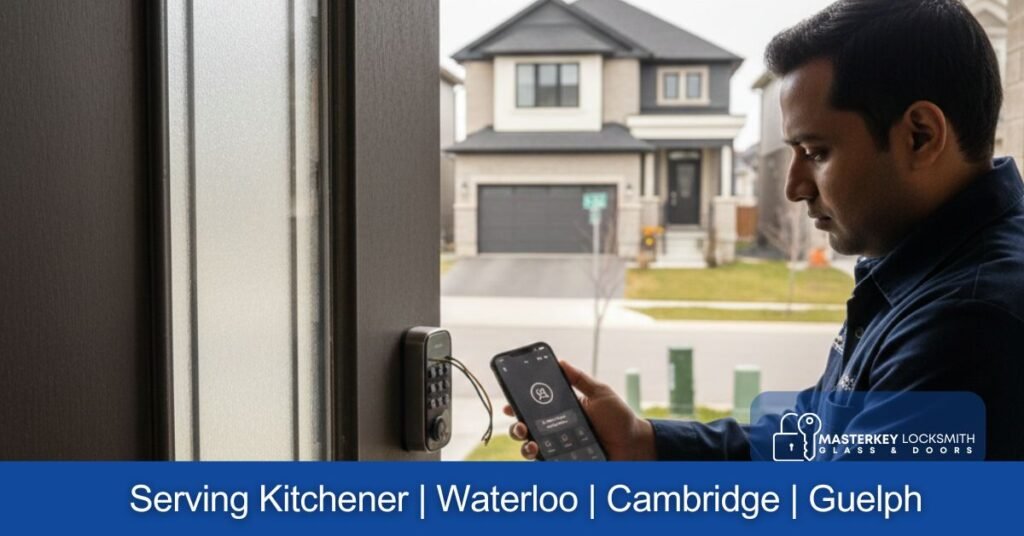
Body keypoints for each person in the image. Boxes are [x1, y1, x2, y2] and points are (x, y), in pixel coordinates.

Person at [508, 0, 1024, 460]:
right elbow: (812, 438)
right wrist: (647, 442)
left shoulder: (970, 325)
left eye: (817, 153)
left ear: (920, 135)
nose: (794, 187)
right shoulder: (914, 273)